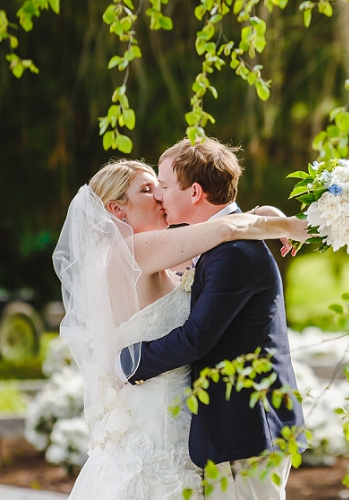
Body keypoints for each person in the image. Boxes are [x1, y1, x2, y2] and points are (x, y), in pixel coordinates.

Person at [56, 144, 308, 500]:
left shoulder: (156, 254)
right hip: (156, 415)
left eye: (160, 185)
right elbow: (224, 229)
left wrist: (261, 214)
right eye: (148, 189)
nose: (159, 194)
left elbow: (219, 229)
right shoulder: (132, 252)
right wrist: (283, 224)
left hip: (180, 417)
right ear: (117, 209)